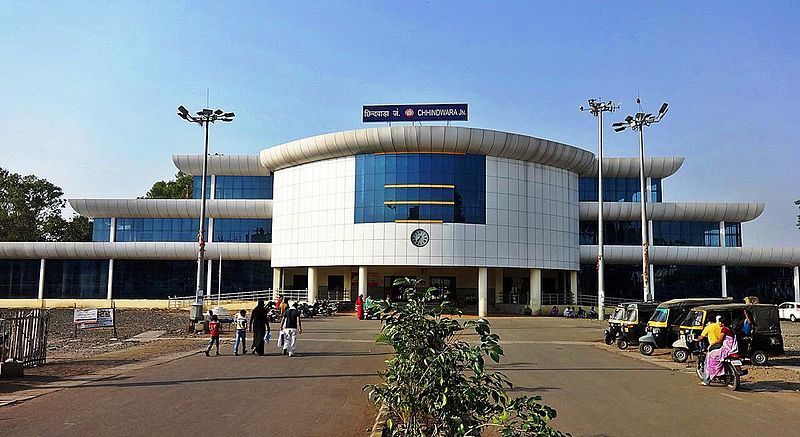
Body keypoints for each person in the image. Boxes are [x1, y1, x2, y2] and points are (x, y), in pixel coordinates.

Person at [702, 318, 738, 386]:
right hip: (732, 349)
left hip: (726, 349)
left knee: (710, 356)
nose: (719, 324)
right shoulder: (731, 330)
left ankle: (711, 376)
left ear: (723, 323)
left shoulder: (724, 330)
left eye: (720, 322)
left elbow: (720, 340)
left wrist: (713, 344)